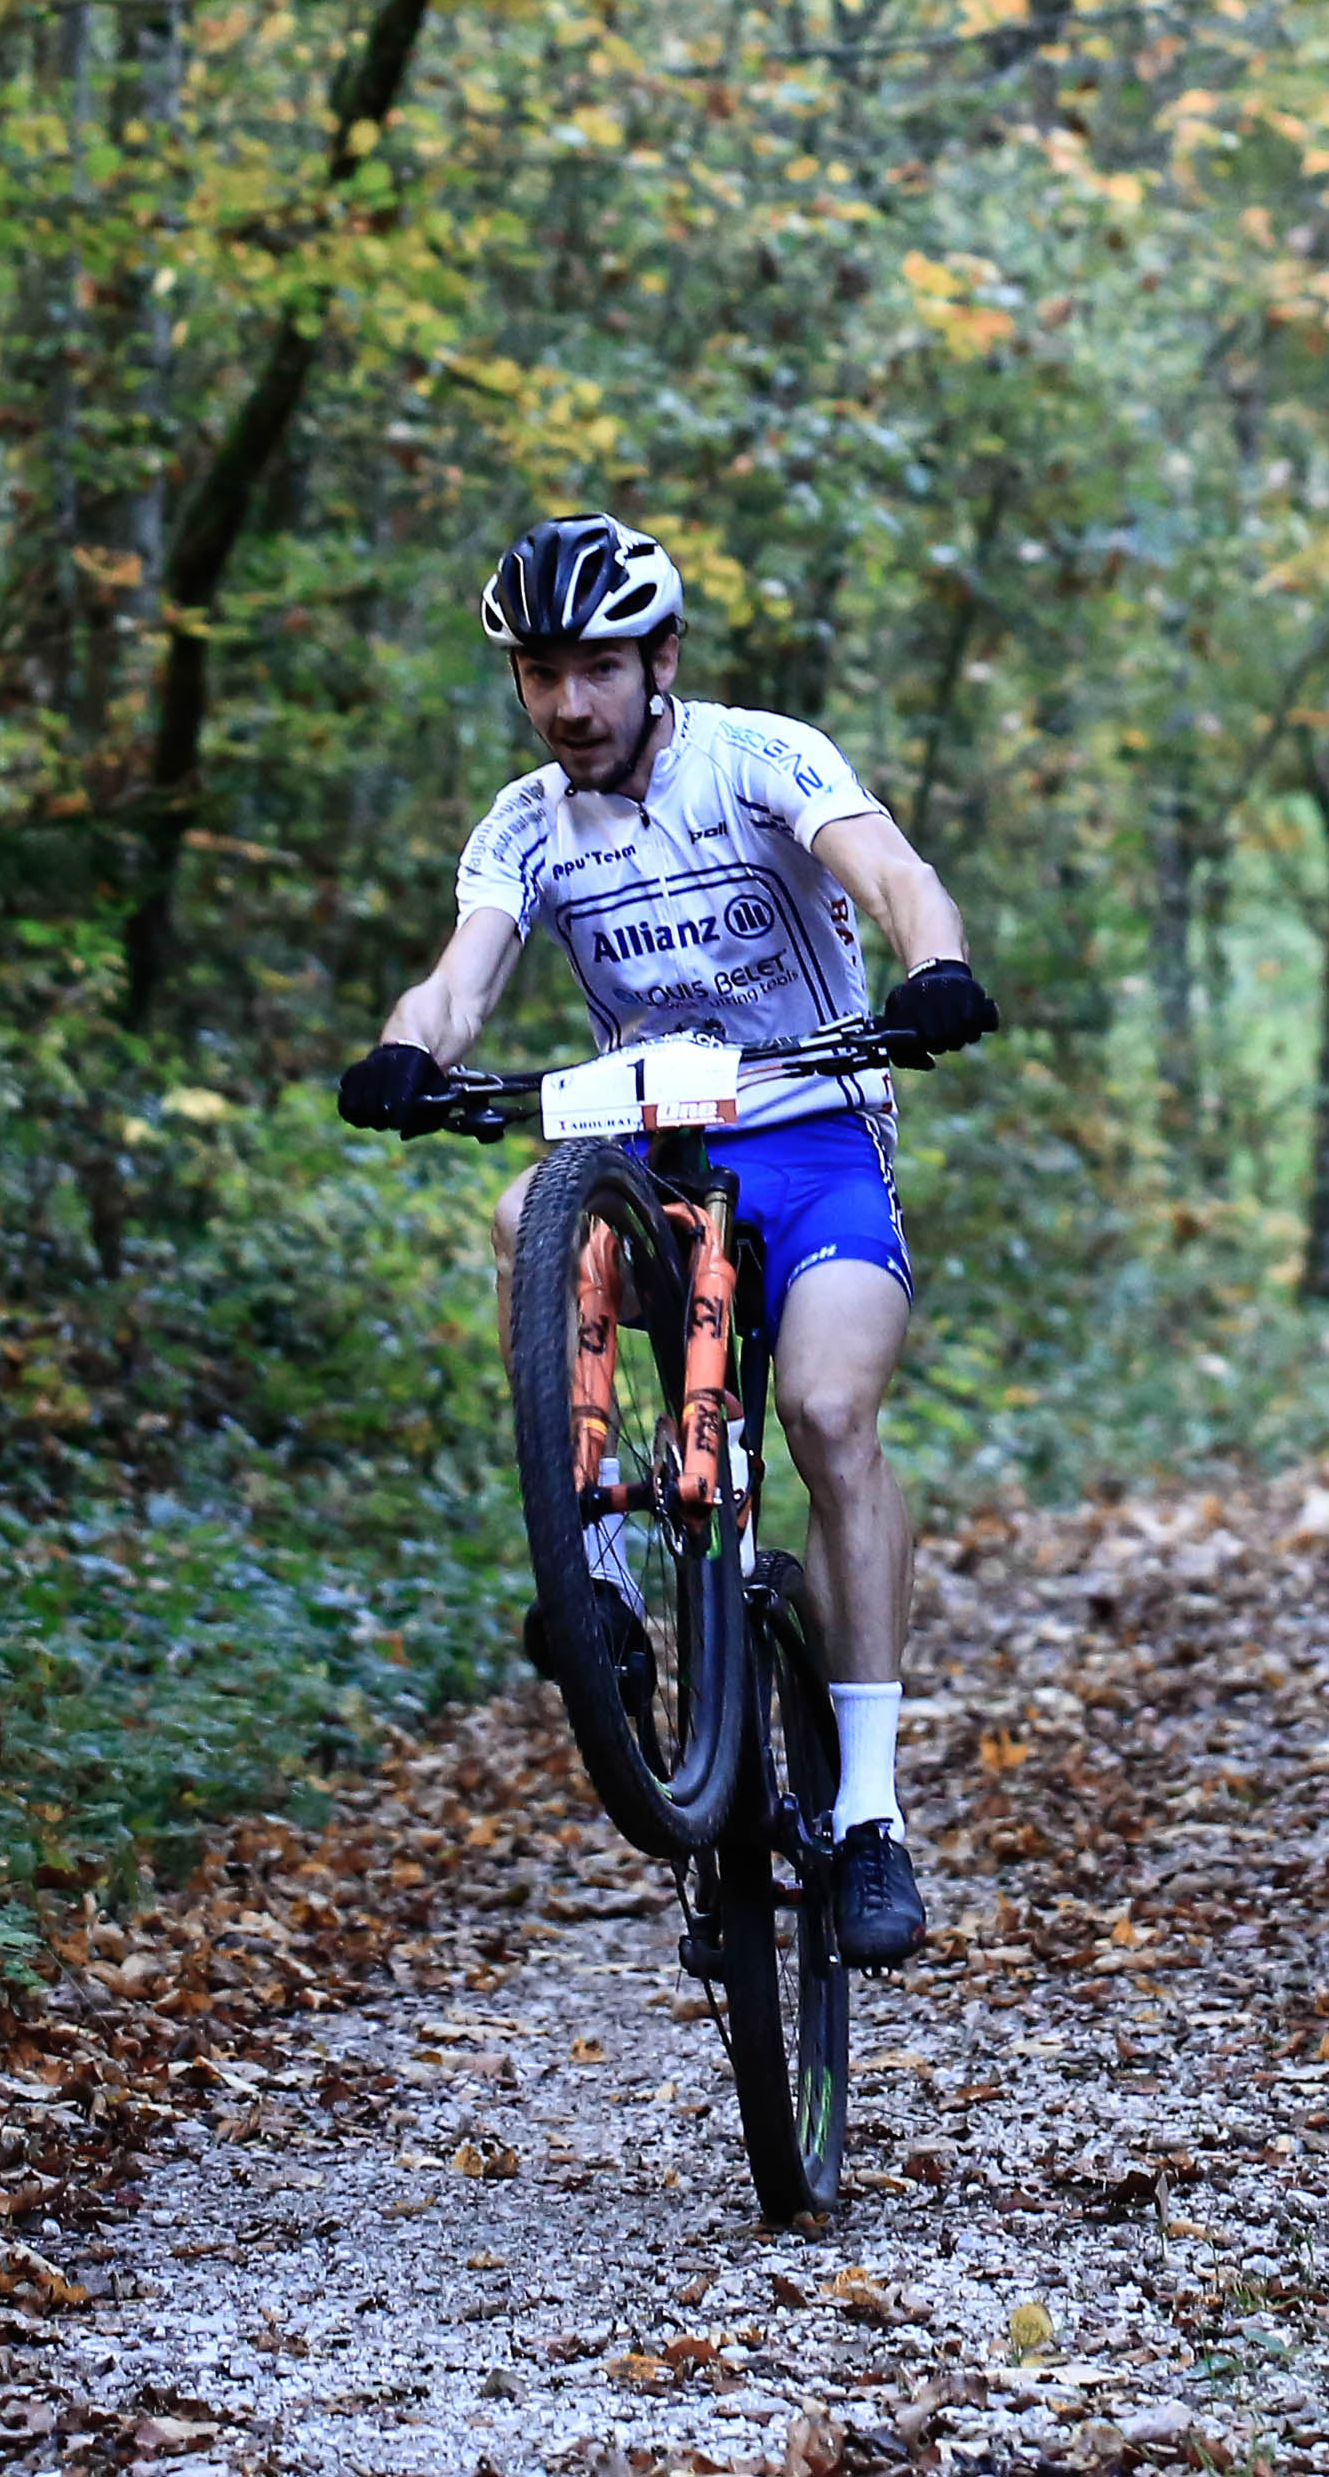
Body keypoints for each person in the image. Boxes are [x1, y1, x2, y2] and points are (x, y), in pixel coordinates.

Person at [334, 512, 995, 1965]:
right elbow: (459, 986)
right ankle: (602, 1588)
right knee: (525, 1211)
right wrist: (406, 1050)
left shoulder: (759, 761)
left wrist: (935, 966)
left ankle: (870, 1817)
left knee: (829, 1418)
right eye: (541, 674)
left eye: (598, 669)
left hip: (815, 1139)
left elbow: (895, 875)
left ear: (662, 661)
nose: (569, 704)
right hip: (649, 1149)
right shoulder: (523, 825)